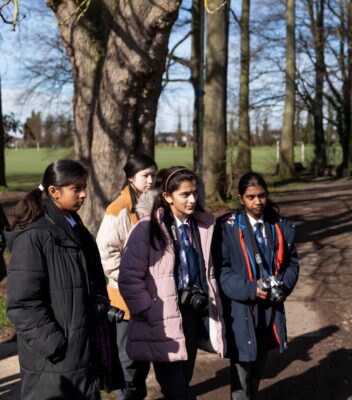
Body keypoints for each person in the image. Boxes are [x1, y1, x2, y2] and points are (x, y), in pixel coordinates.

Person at [6, 159, 123, 400]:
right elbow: (22, 305)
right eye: (76, 189)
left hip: (82, 354)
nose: (83, 195)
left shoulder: (74, 226)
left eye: (84, 188)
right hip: (54, 365)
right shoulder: (35, 237)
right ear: (53, 192)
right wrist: (56, 346)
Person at [119, 167, 226, 400]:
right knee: (177, 390)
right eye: (185, 194)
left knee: (183, 381)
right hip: (161, 320)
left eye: (195, 193)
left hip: (191, 315)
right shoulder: (147, 229)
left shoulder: (203, 226)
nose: (192, 199)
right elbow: (128, 278)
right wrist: (148, 309)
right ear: (167, 197)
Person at [214, 172, 300, 400]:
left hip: (270, 308)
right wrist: (251, 289)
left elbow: (292, 263)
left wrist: (283, 286)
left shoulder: (280, 226)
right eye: (251, 197)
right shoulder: (226, 228)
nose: (257, 202)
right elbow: (222, 271)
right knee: (241, 371)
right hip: (241, 311)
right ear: (241, 198)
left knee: (259, 367)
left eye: (262, 196)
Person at [96, 153, 157, 400]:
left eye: (154, 174)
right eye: (145, 175)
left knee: (142, 357)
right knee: (128, 359)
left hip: (147, 296)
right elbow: (105, 252)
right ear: (131, 178)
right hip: (123, 297)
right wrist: (131, 278)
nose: (151, 180)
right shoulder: (118, 209)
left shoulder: (151, 205)